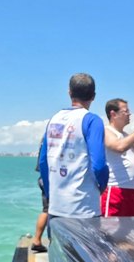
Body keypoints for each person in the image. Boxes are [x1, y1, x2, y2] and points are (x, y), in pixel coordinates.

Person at [39, 73, 108, 220]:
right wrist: (101, 187)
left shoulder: (54, 118)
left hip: (56, 207)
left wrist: (51, 194)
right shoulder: (92, 121)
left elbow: (43, 161)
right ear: (93, 96)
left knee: (57, 243)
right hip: (84, 208)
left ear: (69, 92)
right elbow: (99, 165)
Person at [31, 141, 49, 253]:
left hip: (43, 177)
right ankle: (37, 240)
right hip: (48, 178)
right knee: (48, 210)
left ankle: (37, 239)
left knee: (47, 209)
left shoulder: (45, 138)